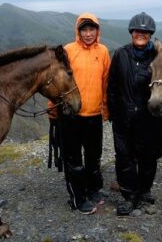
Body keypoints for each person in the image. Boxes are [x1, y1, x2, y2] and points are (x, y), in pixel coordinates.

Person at [49, 13, 111, 215]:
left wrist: (106, 108)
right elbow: (56, 81)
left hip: (94, 115)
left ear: (97, 31)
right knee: (74, 160)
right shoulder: (68, 51)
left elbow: (105, 82)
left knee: (94, 157)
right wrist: (52, 107)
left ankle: (92, 189)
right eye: (84, 29)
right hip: (71, 116)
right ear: (78, 31)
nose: (88, 33)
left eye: (91, 29)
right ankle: (77, 198)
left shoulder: (103, 52)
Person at [107, 12, 162, 216]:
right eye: (137, 31)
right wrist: (114, 113)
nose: (140, 34)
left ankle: (144, 190)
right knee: (124, 157)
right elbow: (112, 86)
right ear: (131, 32)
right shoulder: (120, 54)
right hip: (124, 117)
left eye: (145, 32)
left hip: (149, 117)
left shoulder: (158, 57)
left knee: (148, 157)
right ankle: (129, 195)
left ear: (150, 35)